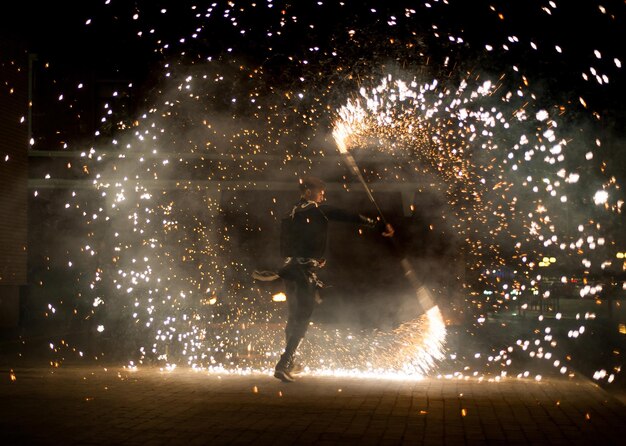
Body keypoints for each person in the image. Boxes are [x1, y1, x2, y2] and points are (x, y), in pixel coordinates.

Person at [257, 176, 394, 382]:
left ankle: (290, 361)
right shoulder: (318, 210)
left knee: (294, 316)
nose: (323, 196)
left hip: (289, 270)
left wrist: (310, 259)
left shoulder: (289, 214)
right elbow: (348, 216)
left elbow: (287, 247)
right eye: (320, 192)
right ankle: (284, 363)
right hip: (303, 273)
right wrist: (378, 225)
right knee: (302, 318)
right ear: (308, 192)